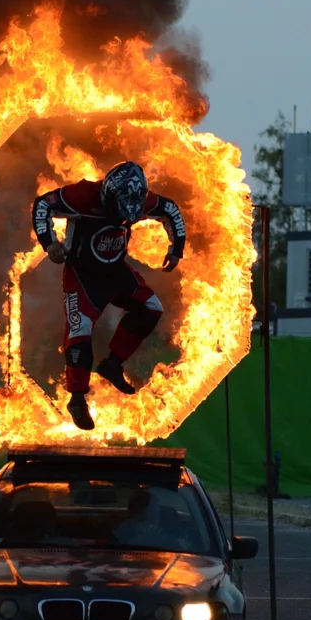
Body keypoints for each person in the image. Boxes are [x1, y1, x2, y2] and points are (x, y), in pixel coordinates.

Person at [31, 161, 186, 430]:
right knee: (80, 331)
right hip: (82, 275)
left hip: (116, 270)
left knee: (151, 308)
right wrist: (50, 244)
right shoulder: (81, 195)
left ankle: (112, 364)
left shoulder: (141, 199)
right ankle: (77, 399)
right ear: (107, 195)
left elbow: (170, 210)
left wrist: (176, 250)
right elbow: (42, 205)